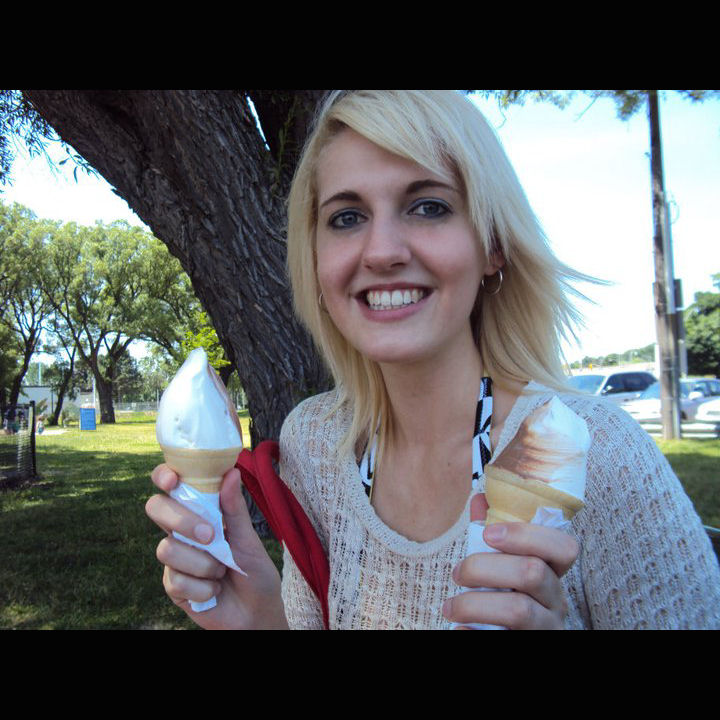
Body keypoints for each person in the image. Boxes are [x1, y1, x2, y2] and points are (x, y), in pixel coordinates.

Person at [145, 90, 720, 629]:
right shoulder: (314, 443)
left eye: (428, 206)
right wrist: (261, 619)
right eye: (347, 217)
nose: (382, 252)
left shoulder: (603, 457)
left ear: (493, 246)